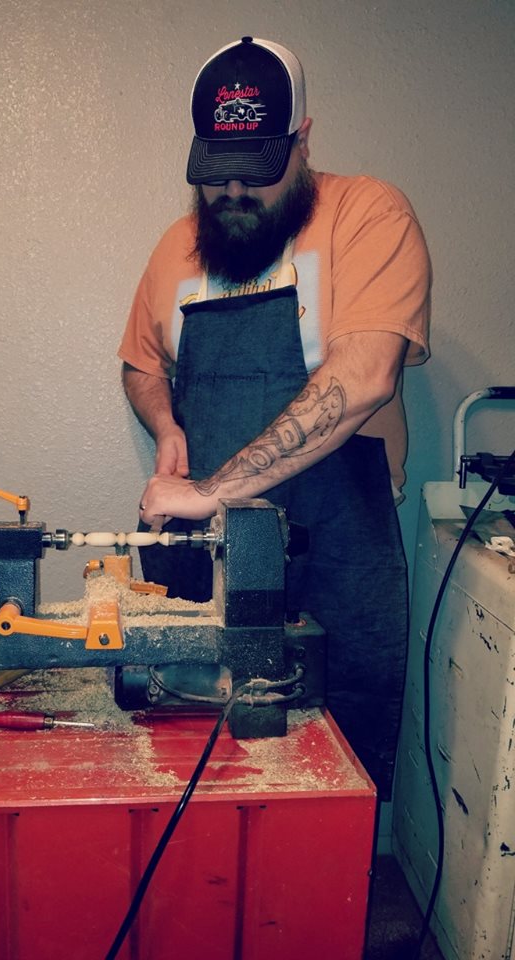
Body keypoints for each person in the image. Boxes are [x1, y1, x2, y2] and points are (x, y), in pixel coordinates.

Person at [117, 36, 431, 799]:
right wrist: (167, 429)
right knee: (194, 765)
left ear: (303, 139)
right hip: (210, 560)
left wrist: (209, 490)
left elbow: (363, 379)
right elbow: (140, 364)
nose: (231, 193)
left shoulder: (367, 213)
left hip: (336, 552)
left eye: (254, 173)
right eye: (215, 175)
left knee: (330, 780)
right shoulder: (178, 248)